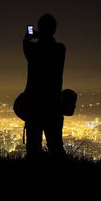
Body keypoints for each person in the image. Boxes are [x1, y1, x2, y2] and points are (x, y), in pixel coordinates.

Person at [23, 13, 66, 158]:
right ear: (54, 30)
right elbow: (51, 47)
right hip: (53, 104)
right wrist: (42, 36)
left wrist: (32, 37)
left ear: (40, 30)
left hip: (34, 104)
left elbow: (27, 44)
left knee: (33, 148)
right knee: (55, 147)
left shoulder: (33, 49)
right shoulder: (60, 49)